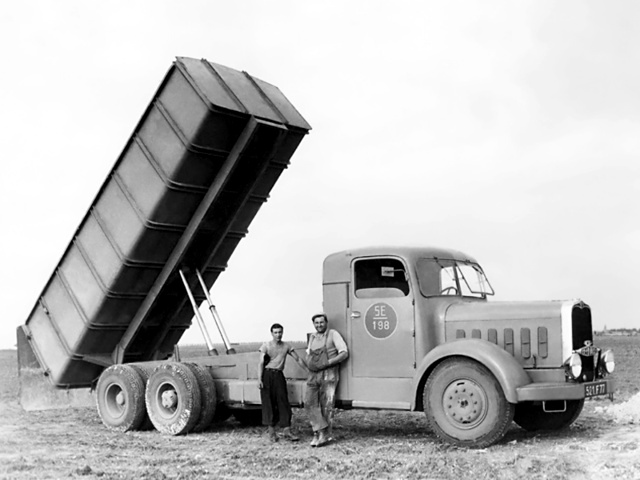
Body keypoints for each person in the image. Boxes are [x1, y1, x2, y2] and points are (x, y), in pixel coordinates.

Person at [305, 313, 349, 447]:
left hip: (329, 373)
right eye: (316, 323)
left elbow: (344, 353)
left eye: (321, 322)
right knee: (309, 402)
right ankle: (319, 430)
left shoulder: (333, 334)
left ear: (326, 323)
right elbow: (308, 353)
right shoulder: (312, 337)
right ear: (314, 324)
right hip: (313, 373)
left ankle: (323, 436)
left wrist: (329, 362)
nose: (319, 325)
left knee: (326, 405)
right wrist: (310, 364)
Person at [258, 323, 304, 442]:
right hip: (267, 375)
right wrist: (259, 379)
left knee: (283, 402)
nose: (278, 335)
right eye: (275, 332)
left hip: (279, 375)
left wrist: (309, 371)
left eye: (280, 332)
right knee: (269, 403)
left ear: (282, 333)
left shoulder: (286, 346)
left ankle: (287, 431)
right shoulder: (266, 346)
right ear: (272, 333)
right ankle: (272, 433)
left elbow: (298, 358)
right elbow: (261, 363)